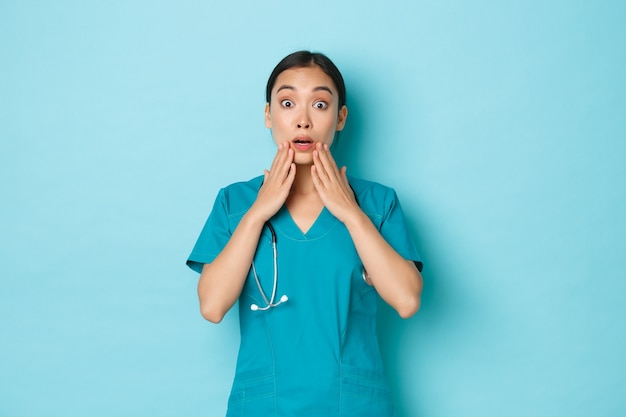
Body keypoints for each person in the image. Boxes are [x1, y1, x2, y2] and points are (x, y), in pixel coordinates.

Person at [186, 50, 423, 416]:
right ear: (268, 114)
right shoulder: (234, 204)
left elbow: (407, 300)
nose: (303, 121)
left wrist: (350, 213)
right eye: (287, 102)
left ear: (340, 117)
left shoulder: (377, 203)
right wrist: (257, 214)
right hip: (266, 406)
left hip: (353, 406)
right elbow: (212, 306)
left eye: (320, 104)